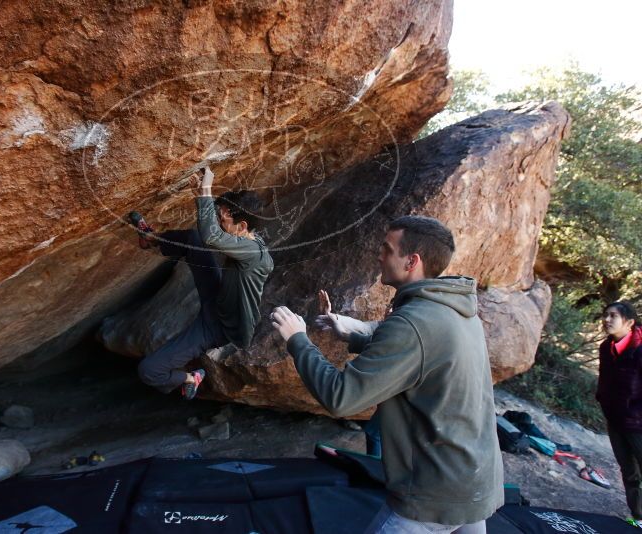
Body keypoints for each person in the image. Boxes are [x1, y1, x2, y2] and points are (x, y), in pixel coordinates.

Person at [271, 215, 503, 533]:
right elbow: (424, 353)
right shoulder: (455, 308)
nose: (379, 255)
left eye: (387, 249)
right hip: (474, 482)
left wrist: (297, 340)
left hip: (433, 494)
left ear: (412, 261)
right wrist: (354, 334)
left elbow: (341, 398)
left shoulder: (412, 323)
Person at [125, 166, 273, 399]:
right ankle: (151, 240)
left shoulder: (253, 253)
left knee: (149, 370)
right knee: (193, 239)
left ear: (242, 226)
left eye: (223, 219)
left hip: (217, 326)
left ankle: (191, 378)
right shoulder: (247, 238)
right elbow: (209, 233)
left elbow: (212, 236)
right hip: (219, 299)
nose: (219, 222)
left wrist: (205, 191)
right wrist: (203, 196)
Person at [596, 301, 642, 526]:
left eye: (613, 316)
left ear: (630, 322)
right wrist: (604, 402)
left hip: (639, 423)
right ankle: (639, 517)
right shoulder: (606, 347)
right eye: (605, 315)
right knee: (629, 472)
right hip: (616, 421)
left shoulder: (640, 349)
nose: (607, 320)